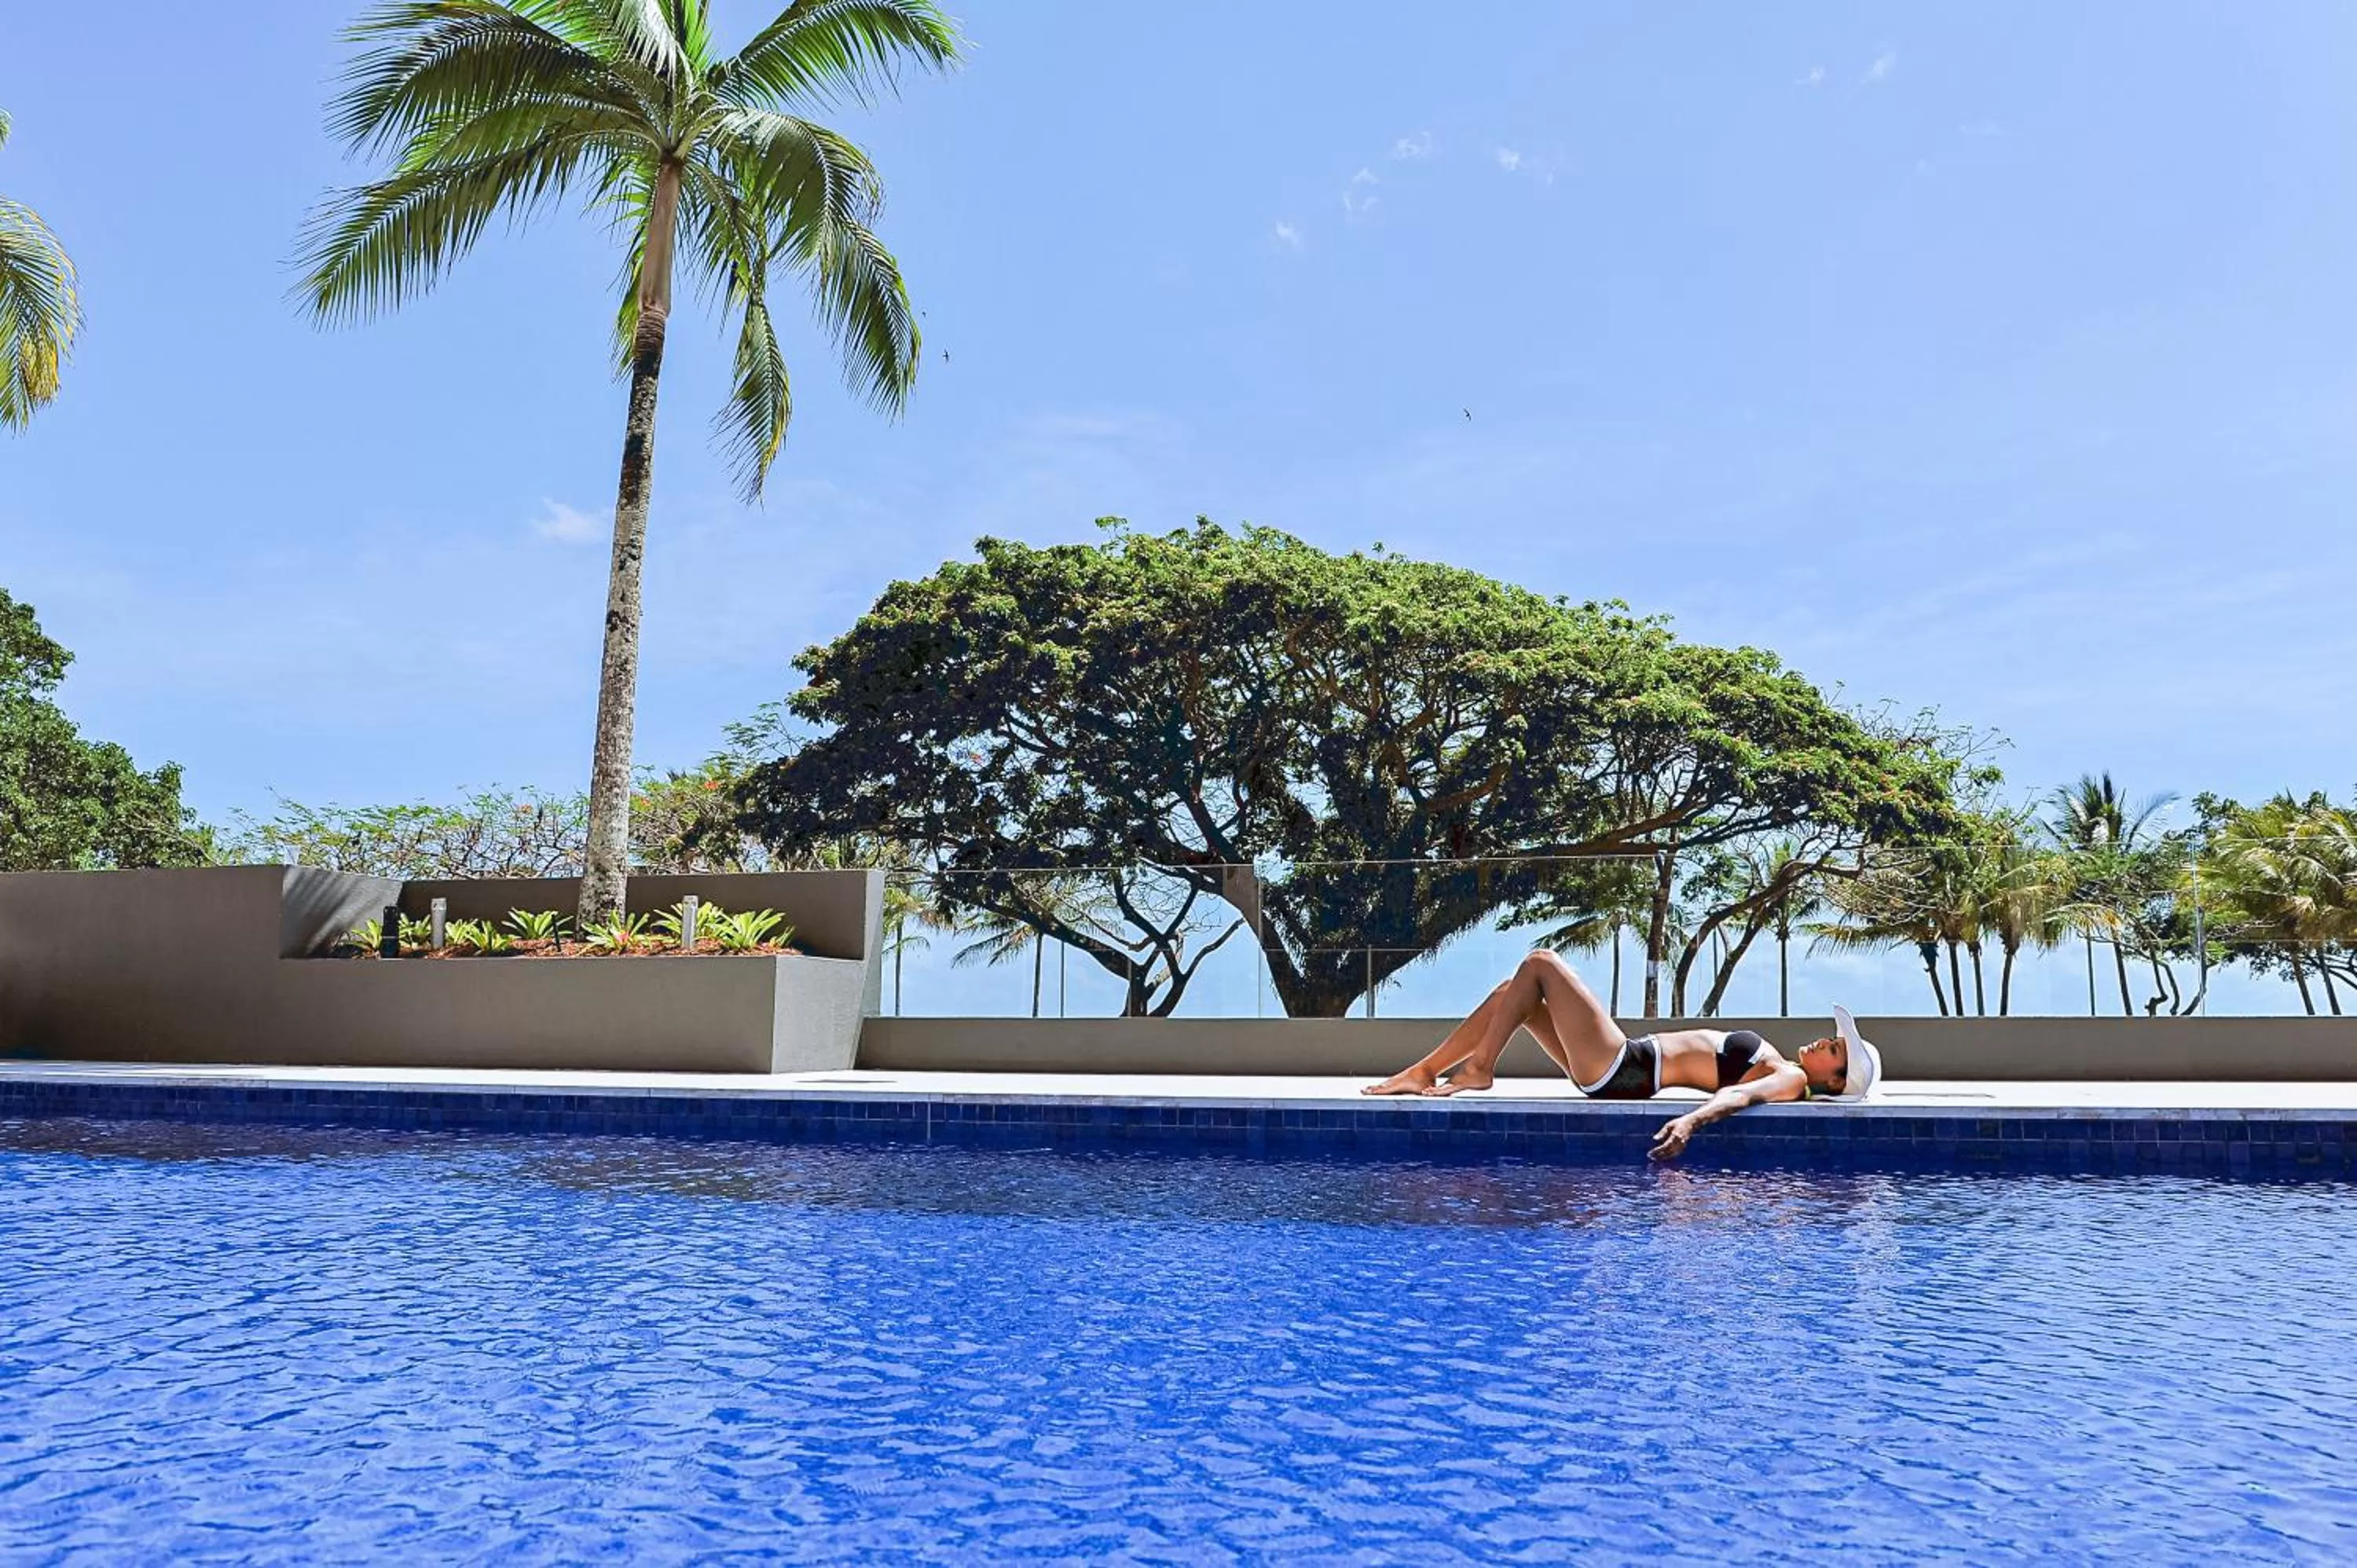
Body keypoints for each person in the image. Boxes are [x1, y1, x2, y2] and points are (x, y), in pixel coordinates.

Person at [1362, 950, 1883, 1160]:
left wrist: (1692, 1123)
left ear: (1834, 1082)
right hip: (1622, 1065)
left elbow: (1741, 1095)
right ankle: (1424, 1070)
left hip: (1627, 1069)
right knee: (1510, 992)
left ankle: (1478, 1070)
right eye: (1832, 1038)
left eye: (1833, 1050)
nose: (1822, 1041)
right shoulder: (1789, 1067)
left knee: (1541, 963)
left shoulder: (1790, 1078)